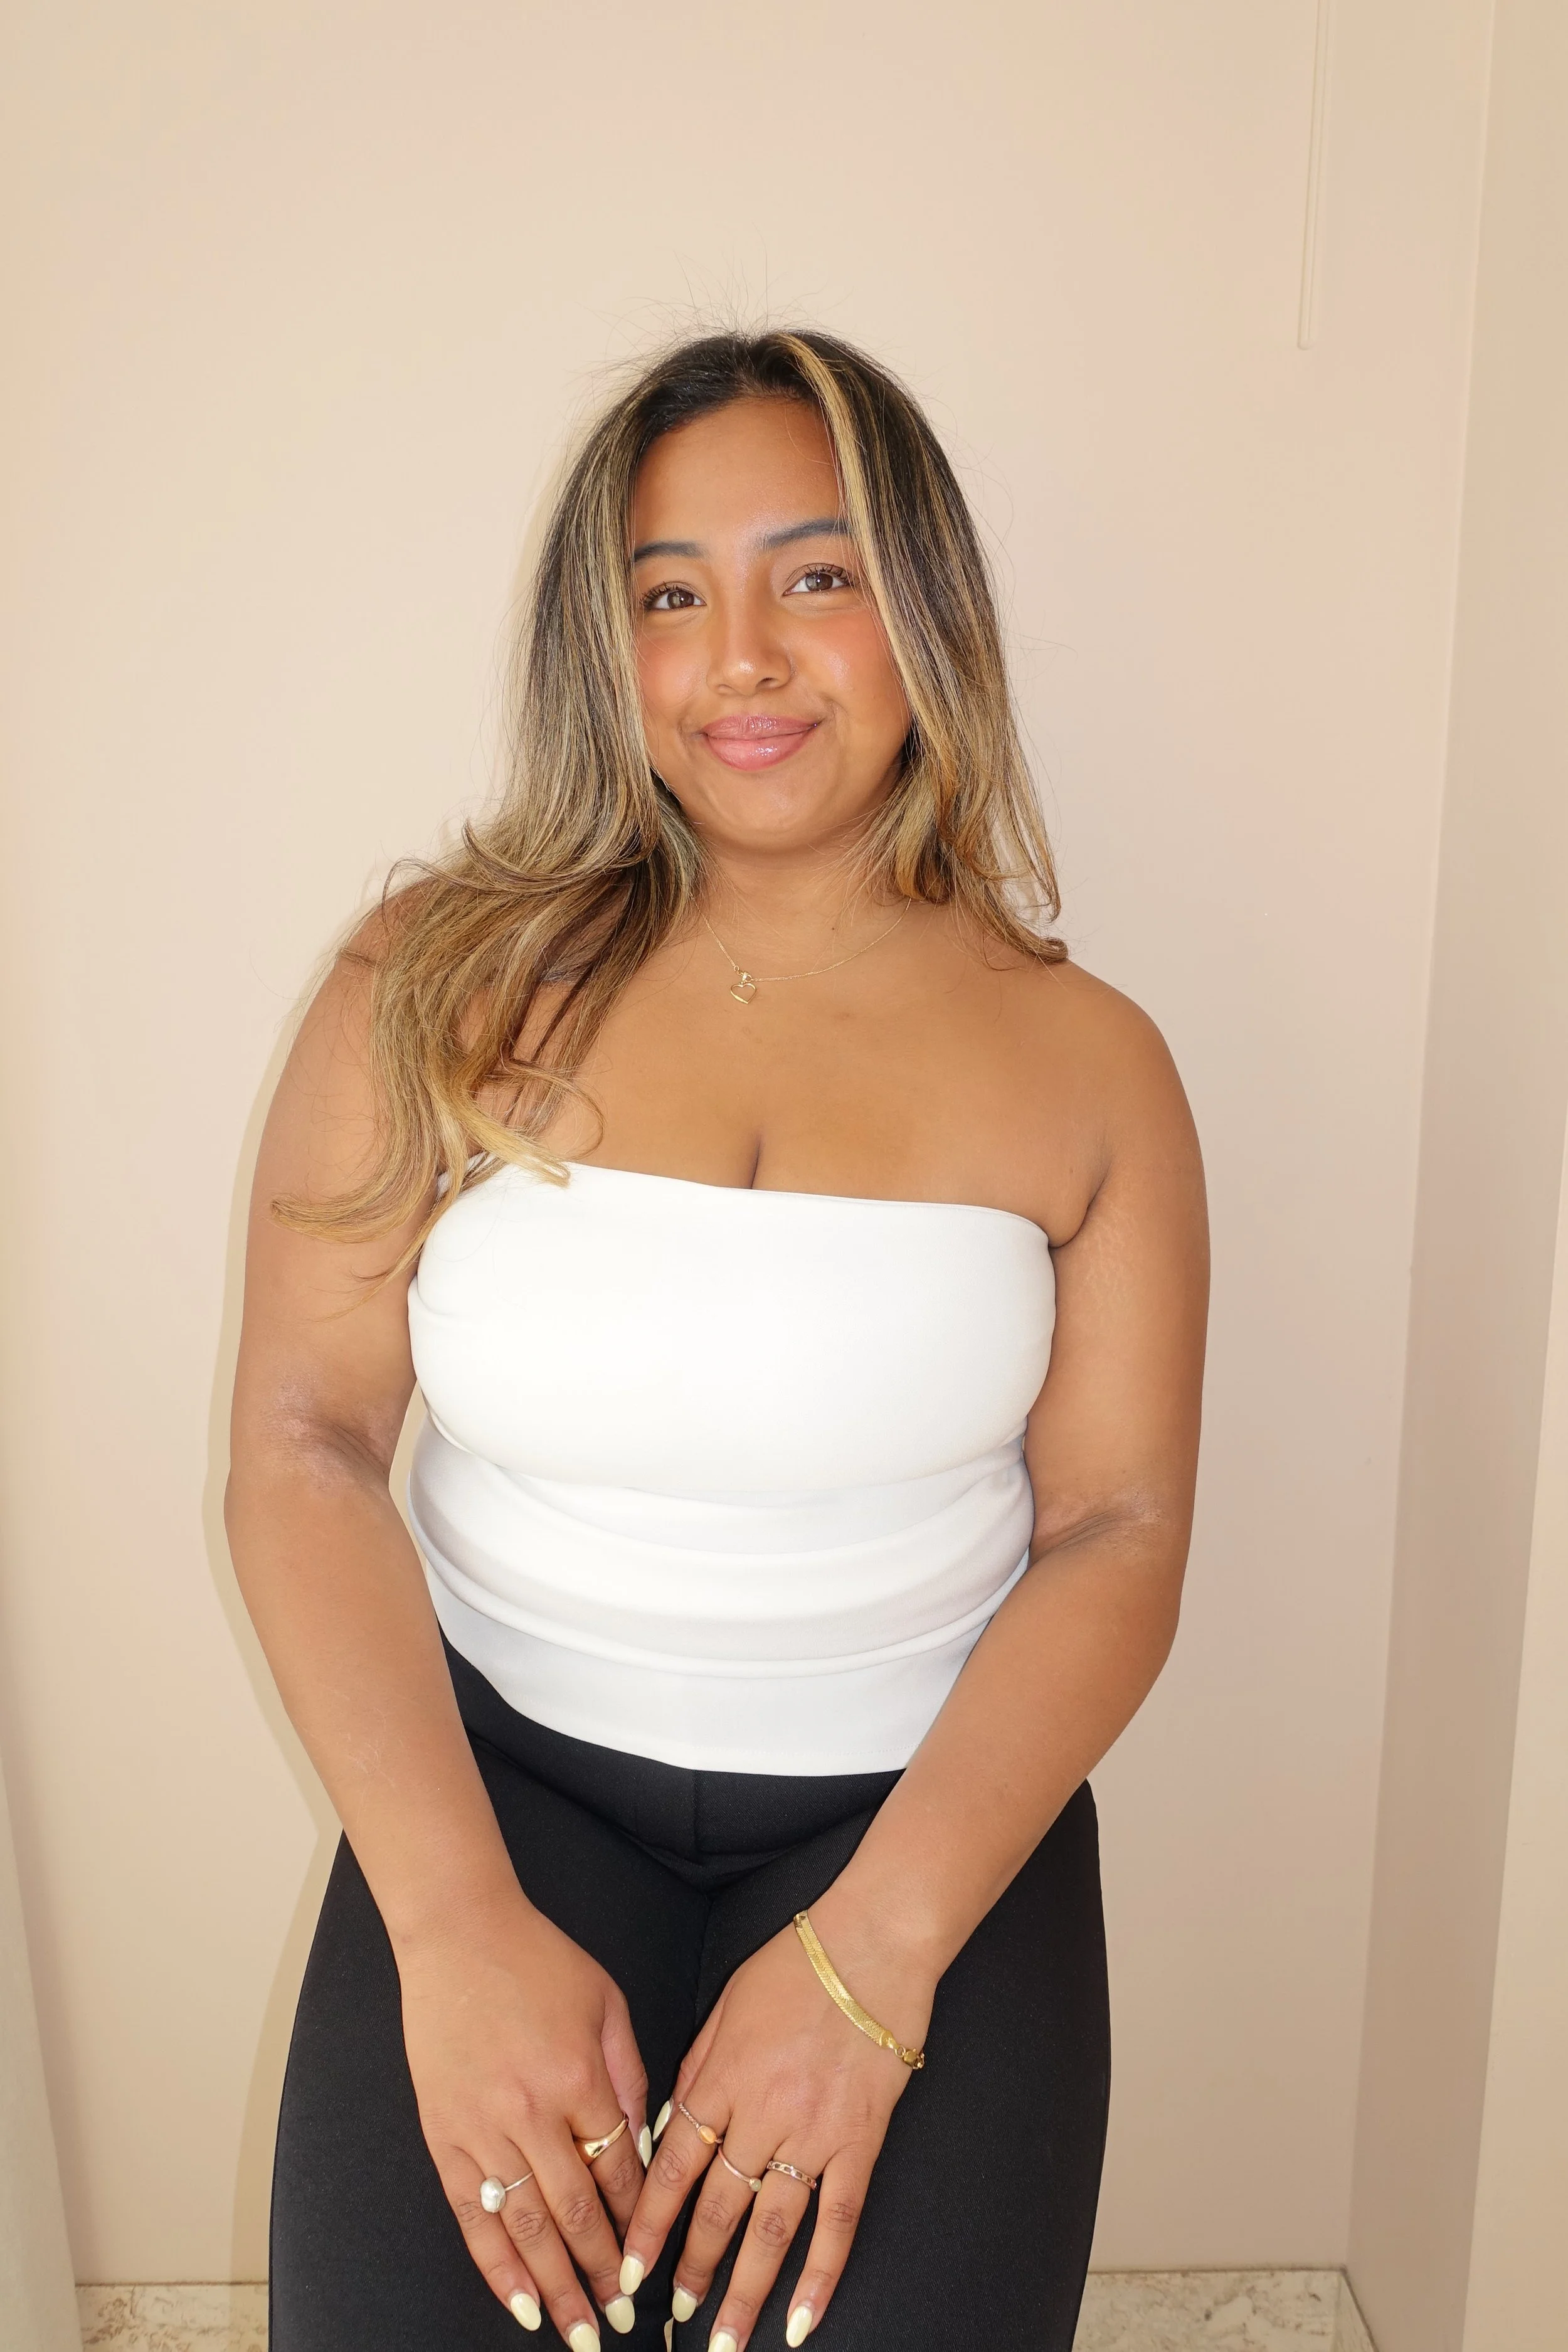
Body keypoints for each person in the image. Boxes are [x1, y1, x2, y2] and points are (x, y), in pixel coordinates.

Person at [227, 328, 1208, 2352]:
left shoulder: (1090, 1059)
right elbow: (304, 1439)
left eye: (813, 574)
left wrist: (870, 1962)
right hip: (499, 1788)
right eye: (668, 594)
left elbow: (1116, 1530)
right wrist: (451, 1928)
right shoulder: (429, 979)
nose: (739, 659)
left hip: (915, 1816)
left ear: (922, 607)